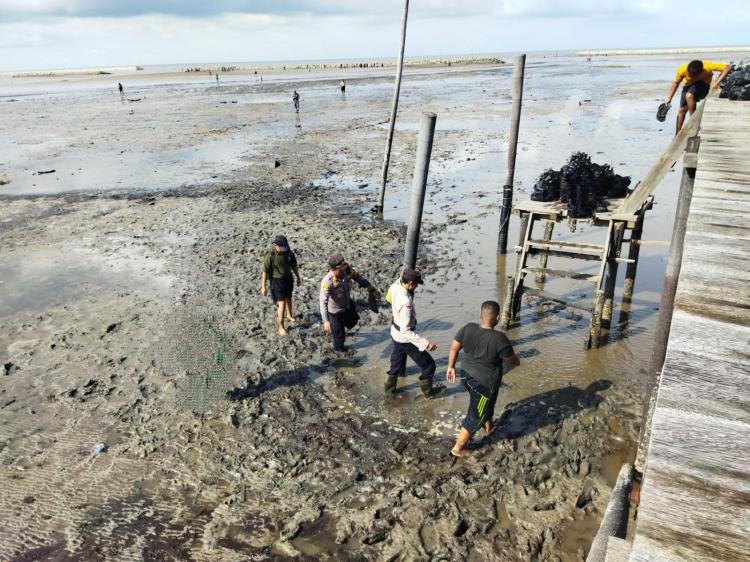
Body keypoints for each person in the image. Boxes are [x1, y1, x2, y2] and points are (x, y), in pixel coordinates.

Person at [446, 301, 520, 457]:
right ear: (498, 318)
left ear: (481, 314)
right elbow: (512, 360)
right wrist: (515, 360)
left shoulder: (468, 328)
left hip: (466, 375)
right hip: (484, 384)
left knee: (486, 404)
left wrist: (450, 367)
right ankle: (457, 449)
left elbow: (454, 347)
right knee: (476, 415)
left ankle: (489, 427)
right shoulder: (500, 338)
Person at [384, 268, 445, 398]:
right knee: (429, 366)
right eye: (416, 284)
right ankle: (429, 393)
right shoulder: (406, 302)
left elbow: (388, 298)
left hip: (395, 333)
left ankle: (389, 391)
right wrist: (426, 343)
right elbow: (406, 331)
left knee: (396, 363)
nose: (417, 286)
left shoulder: (395, 286)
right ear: (410, 283)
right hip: (405, 338)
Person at [319, 254, 379, 352]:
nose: (343, 269)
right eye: (340, 268)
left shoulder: (346, 270)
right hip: (335, 311)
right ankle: (339, 350)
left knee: (353, 320)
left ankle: (341, 329)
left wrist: (368, 286)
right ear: (334, 269)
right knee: (339, 335)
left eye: (344, 266)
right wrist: (326, 321)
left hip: (346, 304)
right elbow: (323, 302)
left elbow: (358, 277)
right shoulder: (327, 282)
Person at [664, 59, 732, 133]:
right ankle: (677, 133)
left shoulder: (707, 66)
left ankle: (694, 122)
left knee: (689, 95)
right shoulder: (682, 70)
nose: (691, 77)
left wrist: (717, 82)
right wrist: (669, 97)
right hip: (688, 86)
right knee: (682, 110)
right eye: (690, 75)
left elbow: (728, 67)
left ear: (701, 71)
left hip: (704, 84)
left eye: (693, 76)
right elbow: (676, 84)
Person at [261, 235, 301, 336]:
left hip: (288, 279)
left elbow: (294, 265)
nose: (284, 249)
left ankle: (290, 315)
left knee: (289, 299)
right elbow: (264, 272)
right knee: (282, 305)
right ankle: (281, 327)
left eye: (285, 247)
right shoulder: (270, 255)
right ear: (276, 245)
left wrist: (298, 277)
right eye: (282, 247)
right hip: (277, 281)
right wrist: (263, 287)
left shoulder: (289, 253)